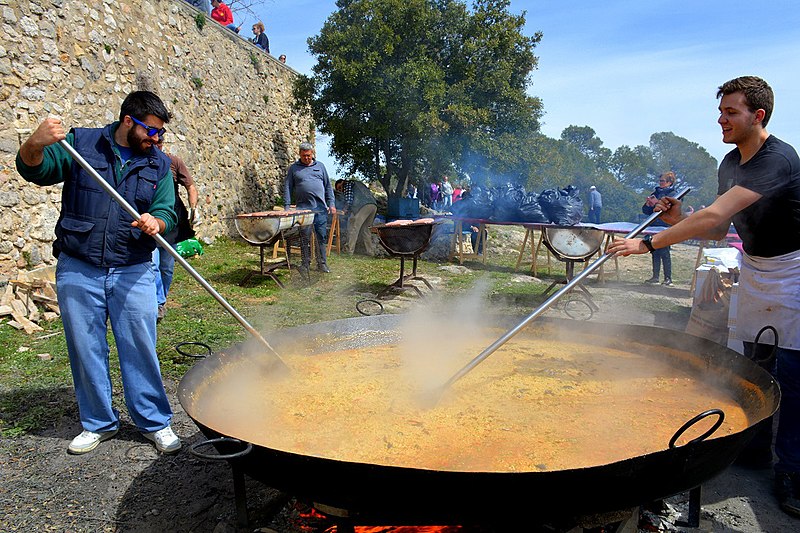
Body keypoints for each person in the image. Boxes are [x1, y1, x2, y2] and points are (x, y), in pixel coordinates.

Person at [607, 76, 800, 517]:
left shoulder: (778, 159)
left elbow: (716, 214)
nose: (722, 119)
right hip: (756, 268)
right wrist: (678, 216)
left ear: (758, 116)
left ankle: (792, 473)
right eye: (722, 111)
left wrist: (651, 243)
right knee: (754, 364)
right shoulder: (731, 163)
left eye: (731, 112)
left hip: (794, 271)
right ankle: (753, 449)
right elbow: (715, 227)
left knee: (793, 375)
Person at [15, 91, 182, 455]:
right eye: (151, 132)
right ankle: (98, 423)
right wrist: (35, 143)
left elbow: (168, 210)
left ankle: (154, 422)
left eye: (160, 135)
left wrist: (158, 220)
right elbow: (35, 169)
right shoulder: (81, 144)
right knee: (86, 347)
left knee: (140, 347)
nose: (156, 140)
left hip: (133, 267)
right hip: (80, 266)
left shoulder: (158, 164)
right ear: (128, 122)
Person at [152, 136, 199, 322]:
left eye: (159, 142)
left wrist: (194, 209)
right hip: (151, 220)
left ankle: (161, 300)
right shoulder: (142, 161)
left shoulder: (173, 162)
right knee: (153, 265)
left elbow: (191, 186)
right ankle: (157, 303)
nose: (157, 145)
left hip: (172, 219)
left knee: (166, 266)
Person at [284, 142, 336, 276]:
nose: (306, 158)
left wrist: (331, 204)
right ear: (299, 155)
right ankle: (305, 263)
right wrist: (287, 206)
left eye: (308, 155)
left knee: (321, 237)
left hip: (320, 209)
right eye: (303, 156)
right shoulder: (294, 168)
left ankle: (322, 263)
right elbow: (288, 187)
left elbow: (328, 187)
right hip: (303, 210)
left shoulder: (320, 167)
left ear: (312, 154)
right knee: (304, 237)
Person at [642, 171, 676, 286]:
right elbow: (646, 211)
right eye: (660, 180)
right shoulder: (655, 193)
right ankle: (655, 276)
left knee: (665, 253)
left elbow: (672, 210)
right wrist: (648, 205)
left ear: (669, 182)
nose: (660, 183)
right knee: (654, 251)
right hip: (654, 226)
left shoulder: (674, 194)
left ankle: (668, 278)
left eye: (663, 181)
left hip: (665, 226)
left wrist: (657, 203)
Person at [335, 179, 377, 255]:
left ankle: (349, 251)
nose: (341, 190)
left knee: (353, 227)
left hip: (363, 206)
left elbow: (349, 198)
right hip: (373, 205)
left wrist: (344, 211)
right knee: (365, 229)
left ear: (341, 182)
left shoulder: (347, 184)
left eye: (340, 188)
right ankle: (370, 252)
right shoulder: (358, 184)